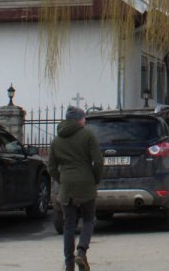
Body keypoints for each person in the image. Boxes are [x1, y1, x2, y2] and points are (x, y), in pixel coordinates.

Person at [47, 105, 103, 271]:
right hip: (86, 183)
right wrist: (95, 178)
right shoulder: (87, 135)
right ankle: (82, 250)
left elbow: (51, 168)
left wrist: (62, 179)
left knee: (69, 224)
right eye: (84, 118)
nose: (85, 121)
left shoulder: (56, 140)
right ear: (79, 119)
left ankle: (69, 263)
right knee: (88, 219)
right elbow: (98, 161)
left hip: (67, 186)